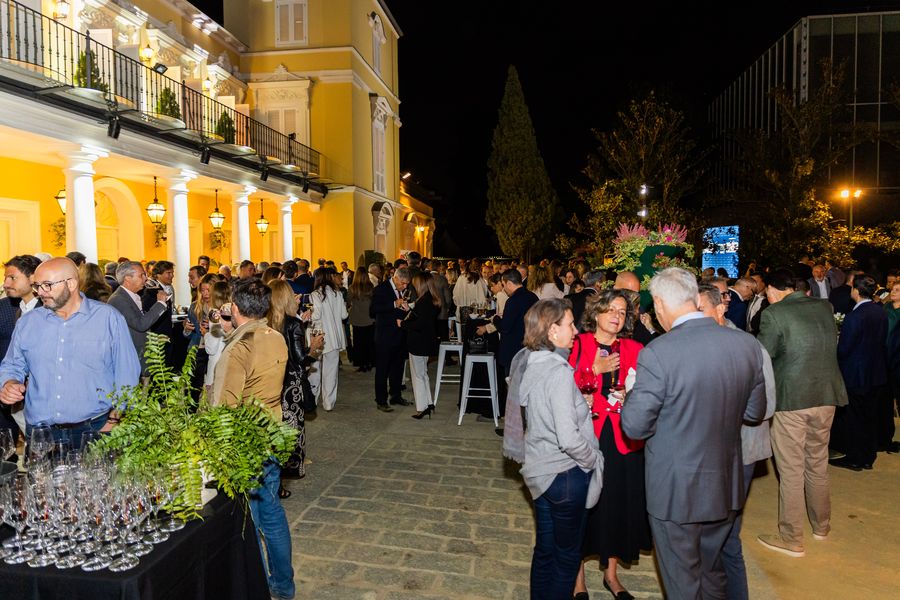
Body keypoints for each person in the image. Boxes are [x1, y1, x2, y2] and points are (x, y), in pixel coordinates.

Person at [621, 267, 766, 599]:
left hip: (676, 492)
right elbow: (754, 412)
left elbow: (635, 426)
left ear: (659, 305)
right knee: (712, 574)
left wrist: (631, 393)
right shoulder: (746, 344)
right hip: (725, 485)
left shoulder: (658, 352)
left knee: (682, 582)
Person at [513, 299, 603, 600]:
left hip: (541, 472)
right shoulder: (559, 372)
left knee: (545, 551)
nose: (576, 331)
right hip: (565, 474)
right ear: (552, 331)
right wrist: (592, 460)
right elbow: (568, 438)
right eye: (570, 324)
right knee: (566, 557)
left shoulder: (533, 364)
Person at [209, 278, 293, 600]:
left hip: (246, 444)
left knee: (249, 523)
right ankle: (283, 585)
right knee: (272, 514)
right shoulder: (275, 337)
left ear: (234, 307)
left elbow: (224, 408)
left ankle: (256, 587)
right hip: (271, 434)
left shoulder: (239, 348)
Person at [756, 269, 847, 558]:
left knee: (791, 469)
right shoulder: (824, 307)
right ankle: (822, 526)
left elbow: (763, 356)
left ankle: (792, 538)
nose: (766, 297)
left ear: (774, 290)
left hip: (792, 399)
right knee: (817, 462)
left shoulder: (774, 314)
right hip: (826, 396)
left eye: (767, 292)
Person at [0, 257, 140, 440]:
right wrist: (9, 383)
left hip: (95, 427)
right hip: (41, 431)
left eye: (47, 285)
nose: (40, 292)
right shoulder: (28, 322)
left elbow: (127, 372)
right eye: (37, 286)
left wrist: (115, 419)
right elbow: (12, 365)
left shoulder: (108, 318)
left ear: (71, 284)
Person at [697, 284, 777, 600]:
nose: (693, 317)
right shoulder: (695, 345)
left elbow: (767, 406)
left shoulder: (749, 347)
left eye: (700, 310)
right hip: (706, 455)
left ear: (721, 308)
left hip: (740, 453)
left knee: (725, 537)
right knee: (711, 536)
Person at [570, 290, 650, 600]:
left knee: (618, 503)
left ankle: (612, 574)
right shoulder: (579, 344)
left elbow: (645, 391)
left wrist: (631, 395)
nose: (617, 316)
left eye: (622, 312)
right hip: (587, 435)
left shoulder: (635, 348)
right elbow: (563, 387)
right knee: (582, 505)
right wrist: (594, 370)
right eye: (611, 309)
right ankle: (577, 580)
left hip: (622, 437)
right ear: (597, 312)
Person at [268, 280, 323, 487]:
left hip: (272, 379)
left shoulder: (265, 322)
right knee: (293, 425)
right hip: (291, 383)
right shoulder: (293, 324)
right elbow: (301, 359)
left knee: (276, 425)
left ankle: (275, 469)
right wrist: (314, 348)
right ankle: (291, 468)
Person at [831, 274, 889, 470]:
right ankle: (867, 456)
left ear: (855, 290)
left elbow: (844, 349)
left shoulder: (855, 316)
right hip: (876, 372)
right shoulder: (880, 311)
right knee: (869, 417)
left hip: (856, 375)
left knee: (854, 417)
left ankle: (855, 458)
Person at [0, 255, 41, 435]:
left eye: (12, 278)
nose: (6, 284)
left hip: (41, 398)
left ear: (32, 278)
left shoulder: (49, 310)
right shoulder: (18, 309)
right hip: (15, 394)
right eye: (5, 278)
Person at [107, 261, 169, 375]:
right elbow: (141, 325)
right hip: (131, 357)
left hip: (139, 354)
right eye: (141, 275)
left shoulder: (131, 295)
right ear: (127, 279)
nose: (146, 278)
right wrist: (160, 303)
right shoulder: (119, 299)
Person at [400, 272, 441, 420]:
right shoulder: (431, 299)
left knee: (418, 376)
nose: (414, 286)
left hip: (418, 342)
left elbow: (419, 324)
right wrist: (409, 310)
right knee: (423, 374)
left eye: (416, 283)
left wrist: (402, 324)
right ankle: (428, 403)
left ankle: (422, 407)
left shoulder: (424, 301)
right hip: (426, 341)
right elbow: (423, 319)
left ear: (421, 284)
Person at [371, 266, 412, 412]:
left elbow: (400, 310)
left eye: (407, 284)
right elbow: (373, 309)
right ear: (396, 278)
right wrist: (394, 304)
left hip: (399, 334)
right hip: (384, 335)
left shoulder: (403, 290)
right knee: (382, 369)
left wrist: (406, 309)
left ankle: (396, 395)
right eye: (403, 283)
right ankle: (381, 400)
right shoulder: (381, 289)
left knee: (398, 368)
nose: (405, 286)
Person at [309, 267, 348, 411]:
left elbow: (316, 315)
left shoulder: (315, 294)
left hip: (318, 335)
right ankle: (328, 403)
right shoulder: (338, 293)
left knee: (314, 370)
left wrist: (306, 313)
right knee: (331, 371)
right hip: (334, 337)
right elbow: (344, 315)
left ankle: (312, 399)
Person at [202, 280, 232, 389]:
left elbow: (211, 348)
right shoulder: (233, 312)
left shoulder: (214, 314)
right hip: (230, 364)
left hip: (217, 365)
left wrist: (206, 334)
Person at [348, 267, 375, 372]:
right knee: (369, 342)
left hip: (357, 318)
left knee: (358, 342)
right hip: (369, 318)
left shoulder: (352, 288)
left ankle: (361, 363)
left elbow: (348, 301)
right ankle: (369, 362)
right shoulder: (371, 287)